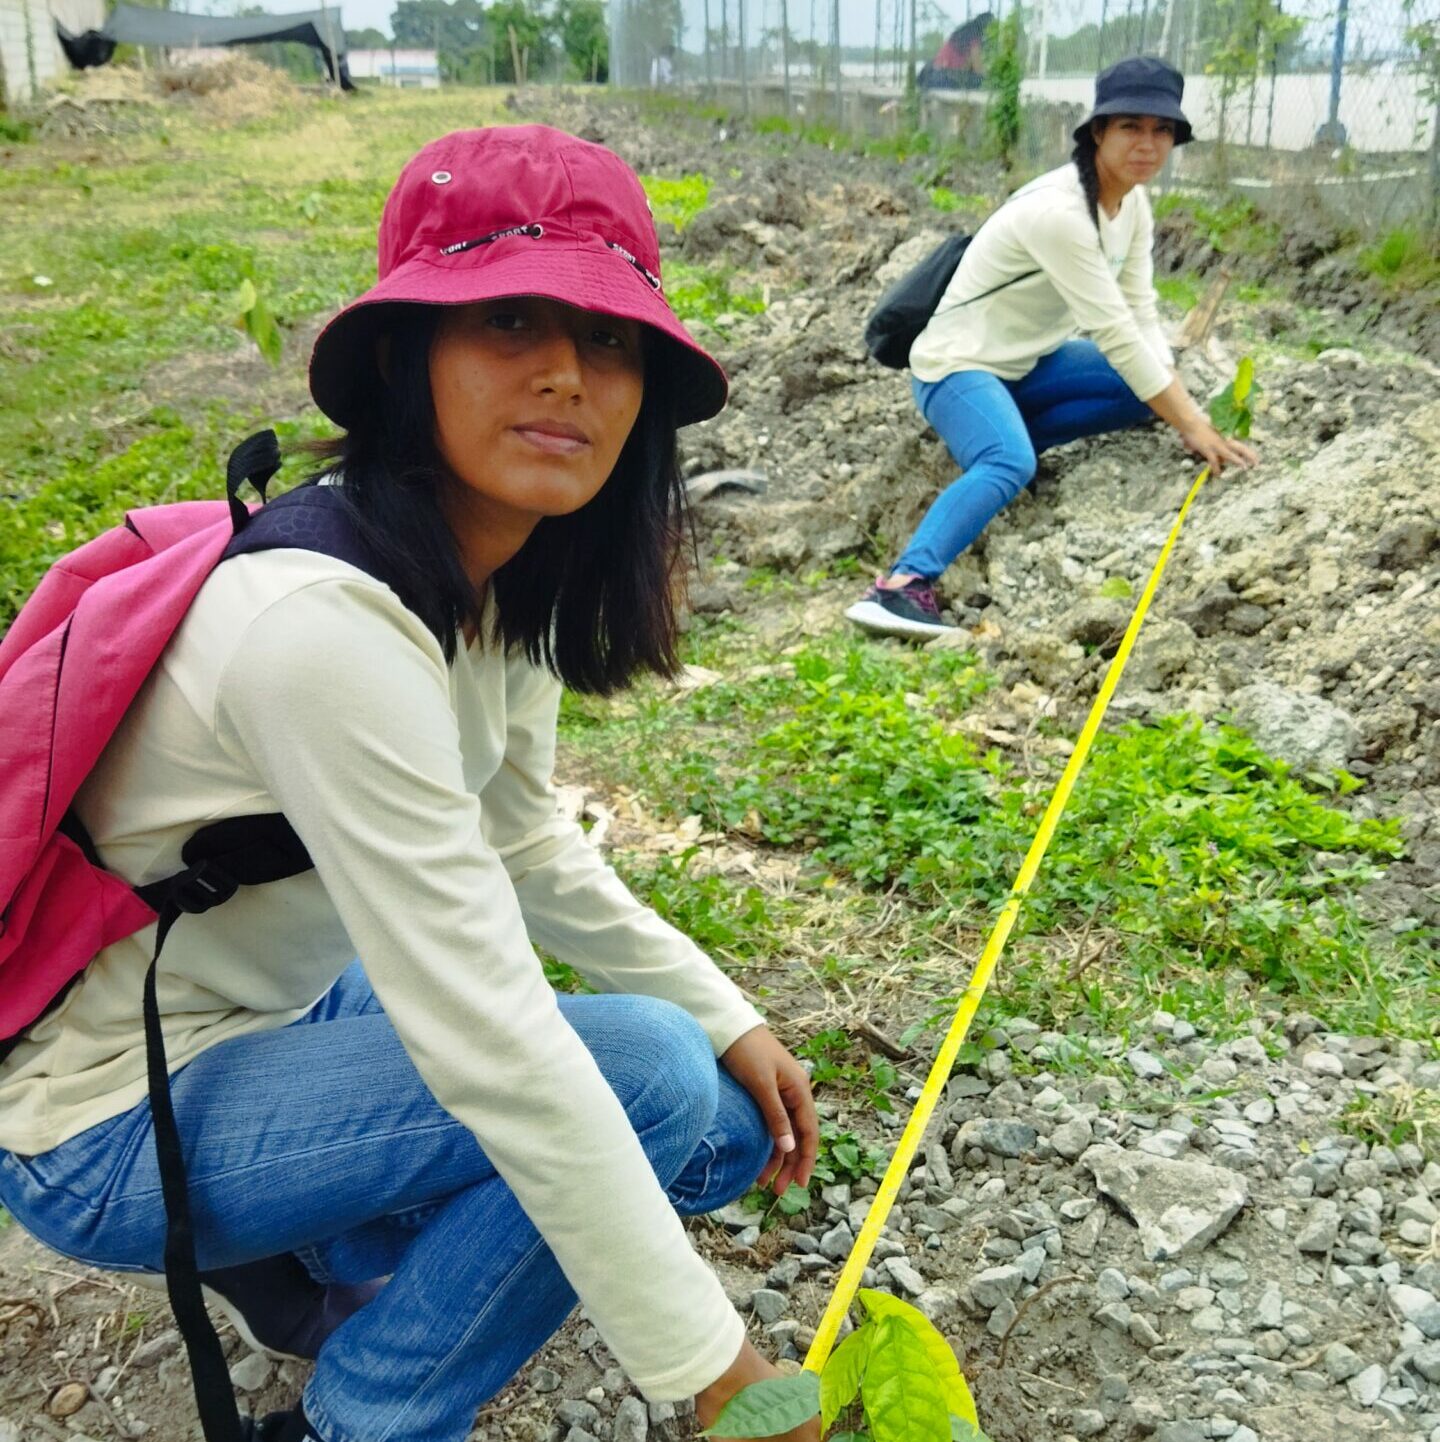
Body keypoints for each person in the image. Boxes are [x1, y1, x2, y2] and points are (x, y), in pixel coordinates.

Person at [0, 125, 820, 1442]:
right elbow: (494, 1039)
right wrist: (720, 1371)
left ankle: (313, 1254)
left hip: (276, 1003)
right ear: (403, 361)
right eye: (508, 318)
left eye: (609, 337)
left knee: (707, 1111)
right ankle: (359, 1415)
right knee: (639, 1085)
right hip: (101, 1118)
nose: (565, 372)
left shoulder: (494, 578)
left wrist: (726, 1009)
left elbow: (526, 845)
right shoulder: (321, 625)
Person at [846, 55, 1258, 641]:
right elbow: (1113, 330)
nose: (1149, 144)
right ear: (1098, 132)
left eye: (1162, 130)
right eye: (1131, 127)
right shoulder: (1059, 213)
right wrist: (1192, 423)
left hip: (1025, 363)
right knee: (1010, 462)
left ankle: (1007, 431)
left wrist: (1182, 410)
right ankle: (901, 585)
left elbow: (1141, 312)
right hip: (957, 365)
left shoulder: (1133, 203)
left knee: (1147, 393)